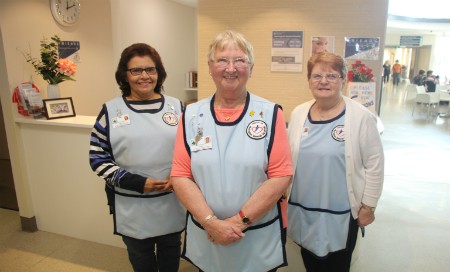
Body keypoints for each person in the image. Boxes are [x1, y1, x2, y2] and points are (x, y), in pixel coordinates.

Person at [170, 30, 293, 272]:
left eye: (239, 60)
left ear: (251, 67)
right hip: (208, 233)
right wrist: (212, 224)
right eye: (222, 60)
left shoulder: (270, 113)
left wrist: (237, 223)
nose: (231, 68)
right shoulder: (191, 115)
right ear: (209, 66)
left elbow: (281, 175)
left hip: (255, 233)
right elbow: (180, 174)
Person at [89, 43, 186, 272]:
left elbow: (191, 151)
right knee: (141, 259)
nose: (144, 76)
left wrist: (178, 174)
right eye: (136, 70)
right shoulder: (111, 111)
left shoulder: (177, 108)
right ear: (125, 74)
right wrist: (139, 183)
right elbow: (97, 158)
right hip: (131, 204)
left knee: (171, 255)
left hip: (171, 201)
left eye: (150, 70)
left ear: (158, 73)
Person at [287, 52, 384, 272]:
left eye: (331, 76)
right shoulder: (299, 113)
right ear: (309, 80)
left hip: (341, 212)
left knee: (337, 265)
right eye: (317, 75)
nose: (323, 81)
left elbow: (374, 164)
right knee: (310, 260)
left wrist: (368, 206)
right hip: (304, 208)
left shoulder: (360, 117)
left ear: (344, 80)